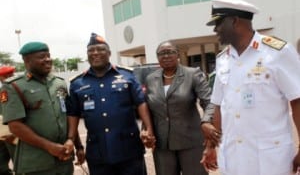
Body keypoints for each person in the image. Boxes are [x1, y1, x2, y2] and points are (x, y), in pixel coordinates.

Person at [201, 0, 300, 175]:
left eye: (218, 23)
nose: (215, 30)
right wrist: (210, 146)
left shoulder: (278, 52)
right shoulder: (223, 59)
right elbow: (218, 105)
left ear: (234, 21)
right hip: (233, 158)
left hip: (269, 160)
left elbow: (297, 100)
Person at [66, 33, 155, 175]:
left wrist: (148, 129)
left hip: (129, 149)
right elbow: (73, 114)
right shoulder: (77, 83)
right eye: (91, 50)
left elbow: (140, 102)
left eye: (100, 49)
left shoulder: (127, 75)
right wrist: (74, 142)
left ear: (109, 53)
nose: (95, 53)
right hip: (97, 152)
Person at [1, 41, 74, 175]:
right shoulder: (13, 86)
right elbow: (15, 126)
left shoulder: (59, 83)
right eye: (42, 57)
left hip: (64, 159)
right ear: (27, 61)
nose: (47, 60)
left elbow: (68, 114)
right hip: (36, 164)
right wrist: (49, 146)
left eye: (48, 55)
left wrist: (73, 141)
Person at [144, 40, 214, 175]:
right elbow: (149, 108)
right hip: (163, 146)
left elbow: (209, 102)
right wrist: (147, 130)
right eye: (161, 53)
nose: (165, 56)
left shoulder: (193, 74)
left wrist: (206, 121)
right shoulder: (150, 79)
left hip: (191, 143)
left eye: (170, 52)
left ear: (178, 55)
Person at [0, 66, 16, 175]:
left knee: (19, 161)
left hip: (13, 133)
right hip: (2, 133)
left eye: (11, 75)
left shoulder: (15, 90)